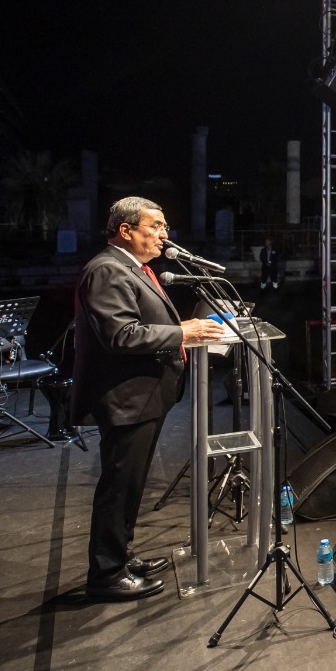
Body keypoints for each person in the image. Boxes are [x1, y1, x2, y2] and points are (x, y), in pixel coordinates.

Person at [73, 197, 225, 602]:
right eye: (155, 226)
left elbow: (143, 323)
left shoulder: (131, 267)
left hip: (143, 397)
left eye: (165, 227)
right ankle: (105, 574)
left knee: (131, 484)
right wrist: (183, 335)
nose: (164, 235)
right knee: (119, 486)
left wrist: (182, 324)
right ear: (126, 231)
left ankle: (121, 556)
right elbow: (120, 335)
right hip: (126, 399)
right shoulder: (107, 269)